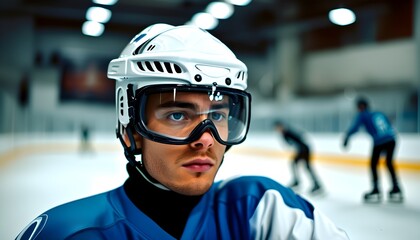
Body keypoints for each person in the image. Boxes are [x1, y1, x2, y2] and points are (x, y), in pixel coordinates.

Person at [16, 24, 349, 239]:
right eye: (177, 115)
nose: (206, 138)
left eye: (217, 115)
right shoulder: (69, 233)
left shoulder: (261, 209)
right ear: (130, 126)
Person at [343, 97, 403, 203]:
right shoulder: (378, 112)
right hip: (392, 138)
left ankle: (376, 190)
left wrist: (347, 136)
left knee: (373, 164)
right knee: (389, 162)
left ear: (361, 106)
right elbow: (389, 123)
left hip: (379, 141)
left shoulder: (363, 115)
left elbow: (355, 128)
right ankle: (396, 188)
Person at [274, 121, 323, 194]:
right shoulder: (284, 133)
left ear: (281, 126)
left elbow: (300, 136)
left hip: (304, 149)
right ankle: (298, 181)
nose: (277, 129)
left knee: (305, 166)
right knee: (295, 164)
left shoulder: (288, 131)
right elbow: (290, 143)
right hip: (301, 149)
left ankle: (315, 184)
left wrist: (299, 147)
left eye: (278, 127)